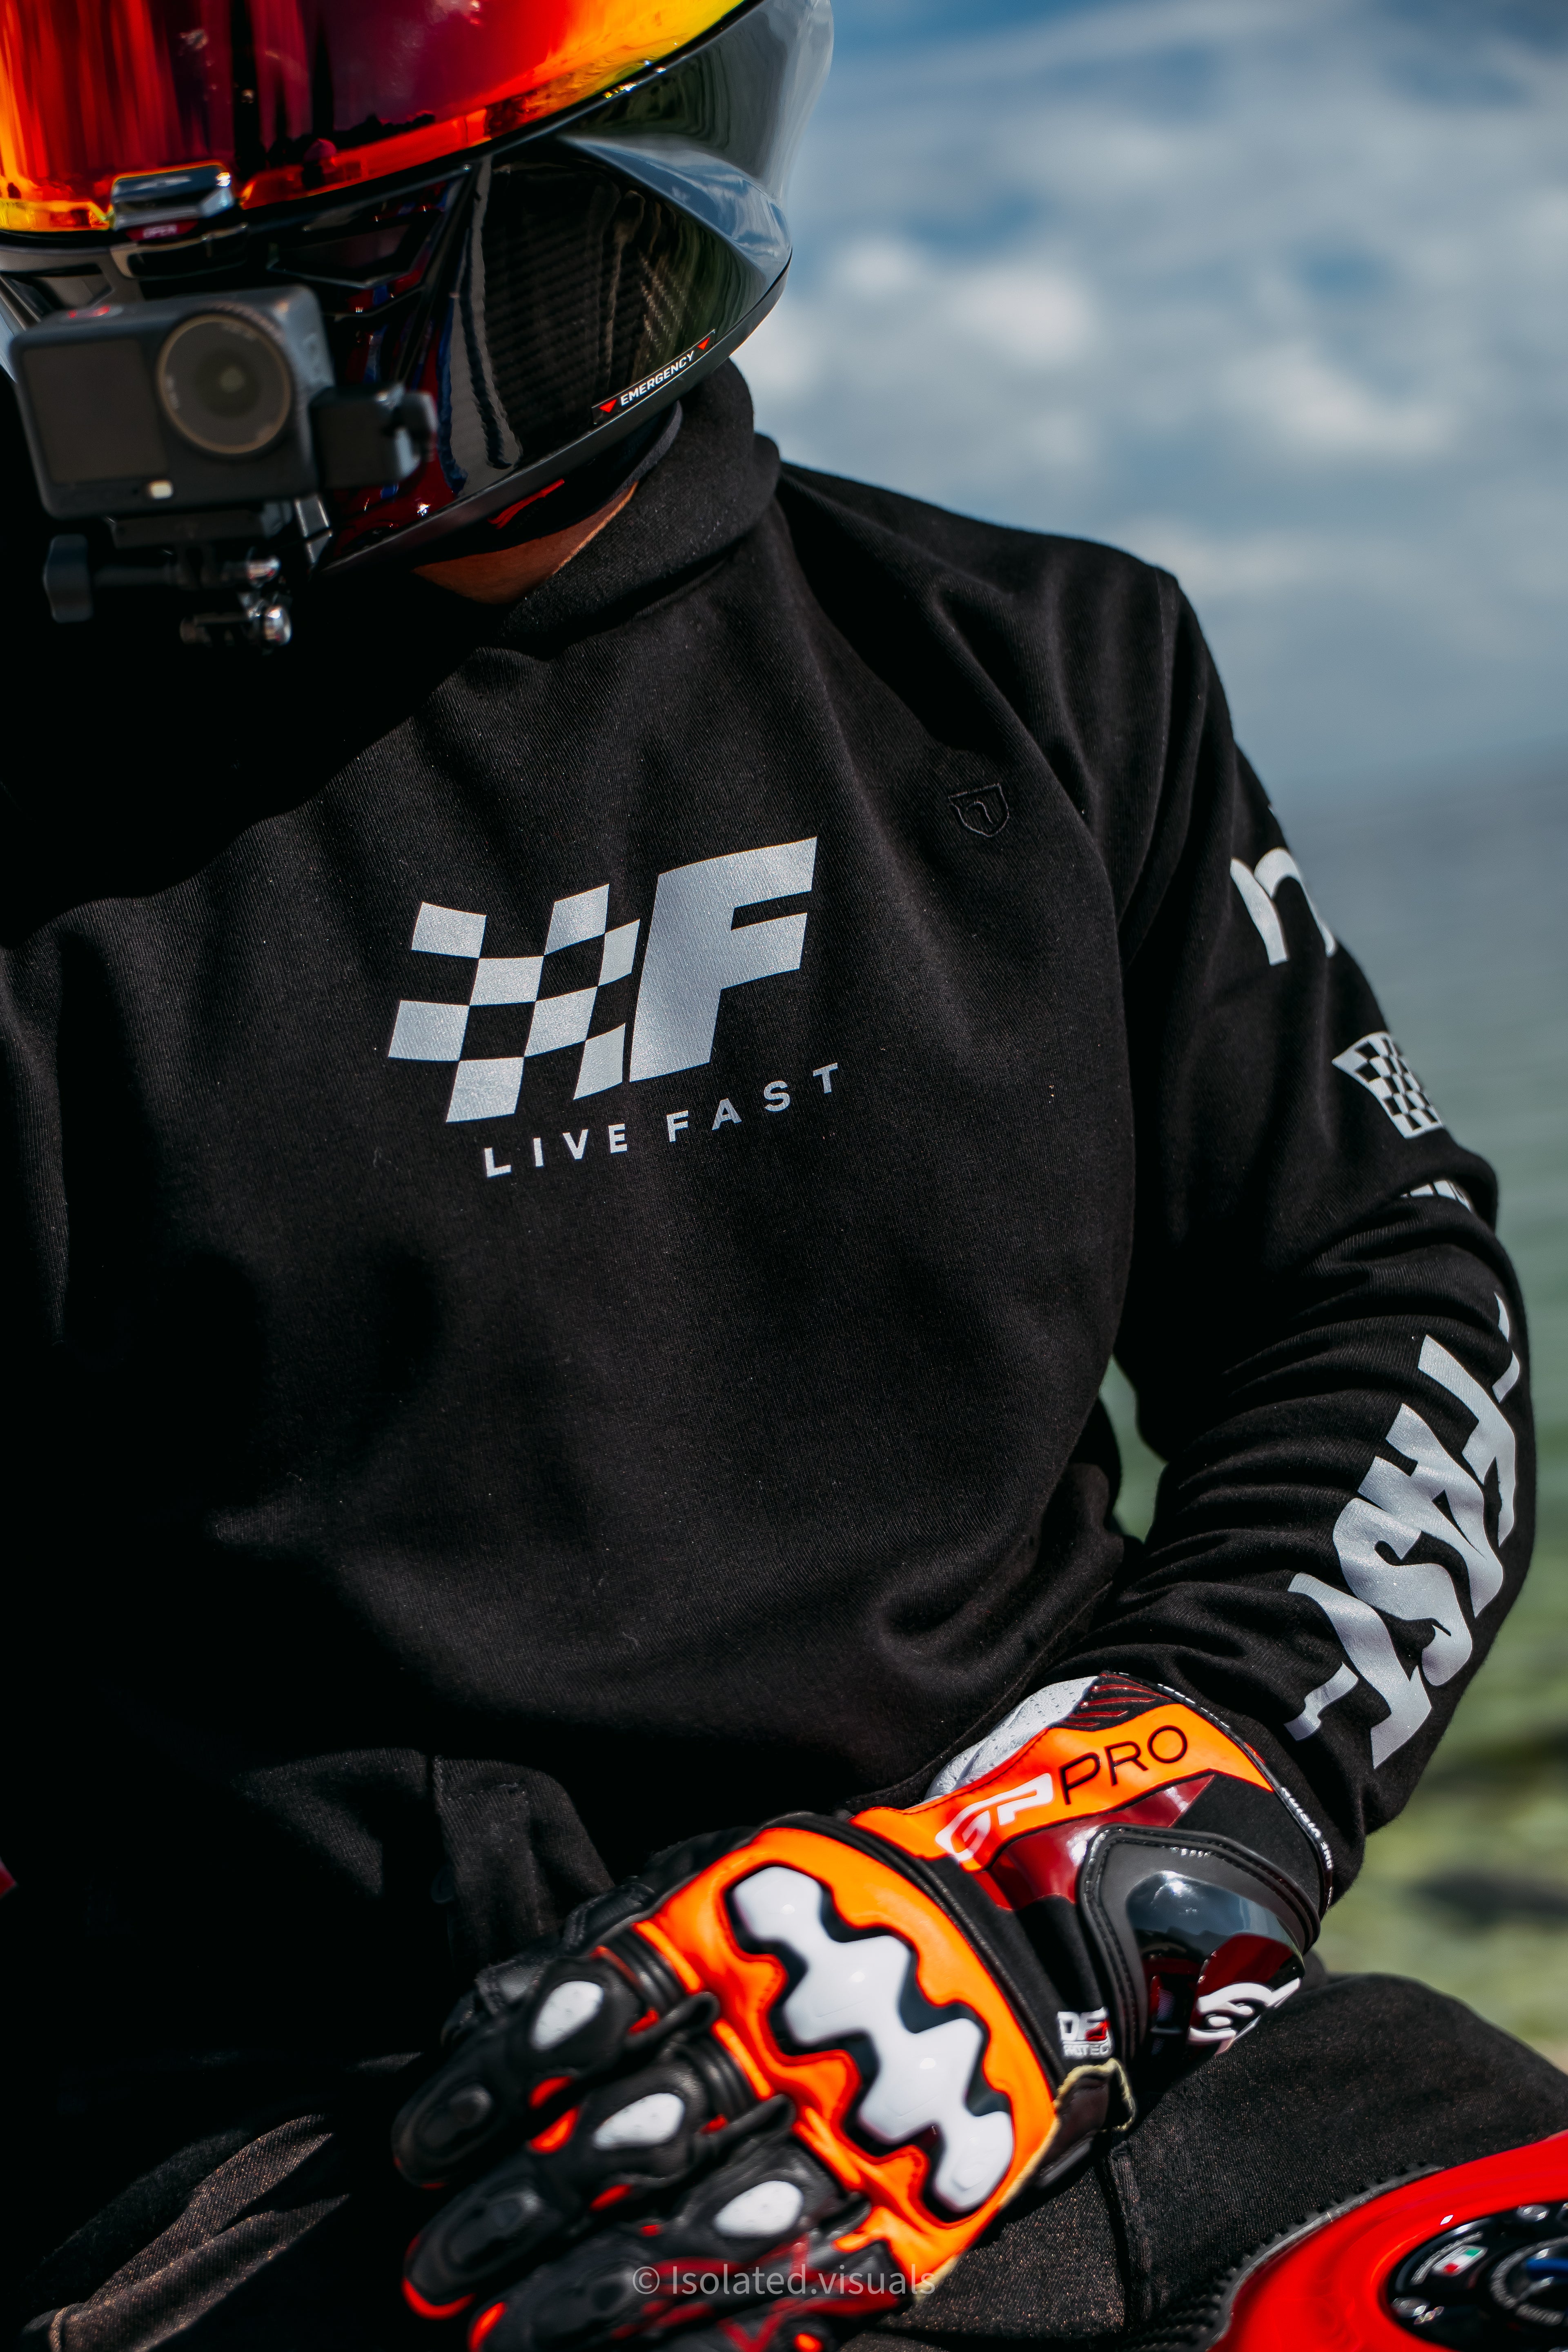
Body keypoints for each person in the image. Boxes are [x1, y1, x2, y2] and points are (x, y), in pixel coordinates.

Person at [2, 2, 1564, 2348]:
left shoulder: (1044, 665)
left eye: (306, 73)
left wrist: (1087, 1871)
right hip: (359, 2143)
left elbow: (1375, 1301)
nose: (194, 191)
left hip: (1061, 2005)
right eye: (108, 83)